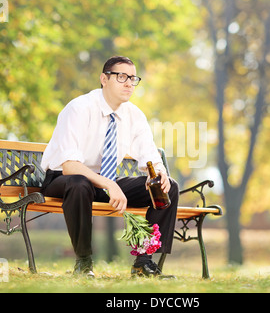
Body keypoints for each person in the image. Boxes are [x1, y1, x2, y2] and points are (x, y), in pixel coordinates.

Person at [40, 56, 179, 278]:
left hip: (104, 183)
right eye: (121, 76)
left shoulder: (134, 115)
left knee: (168, 187)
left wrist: (159, 172)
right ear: (104, 79)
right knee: (80, 183)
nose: (128, 83)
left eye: (133, 78)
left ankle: (143, 262)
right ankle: (84, 263)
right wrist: (109, 184)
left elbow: (149, 156)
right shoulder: (78, 108)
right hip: (64, 180)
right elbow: (69, 166)